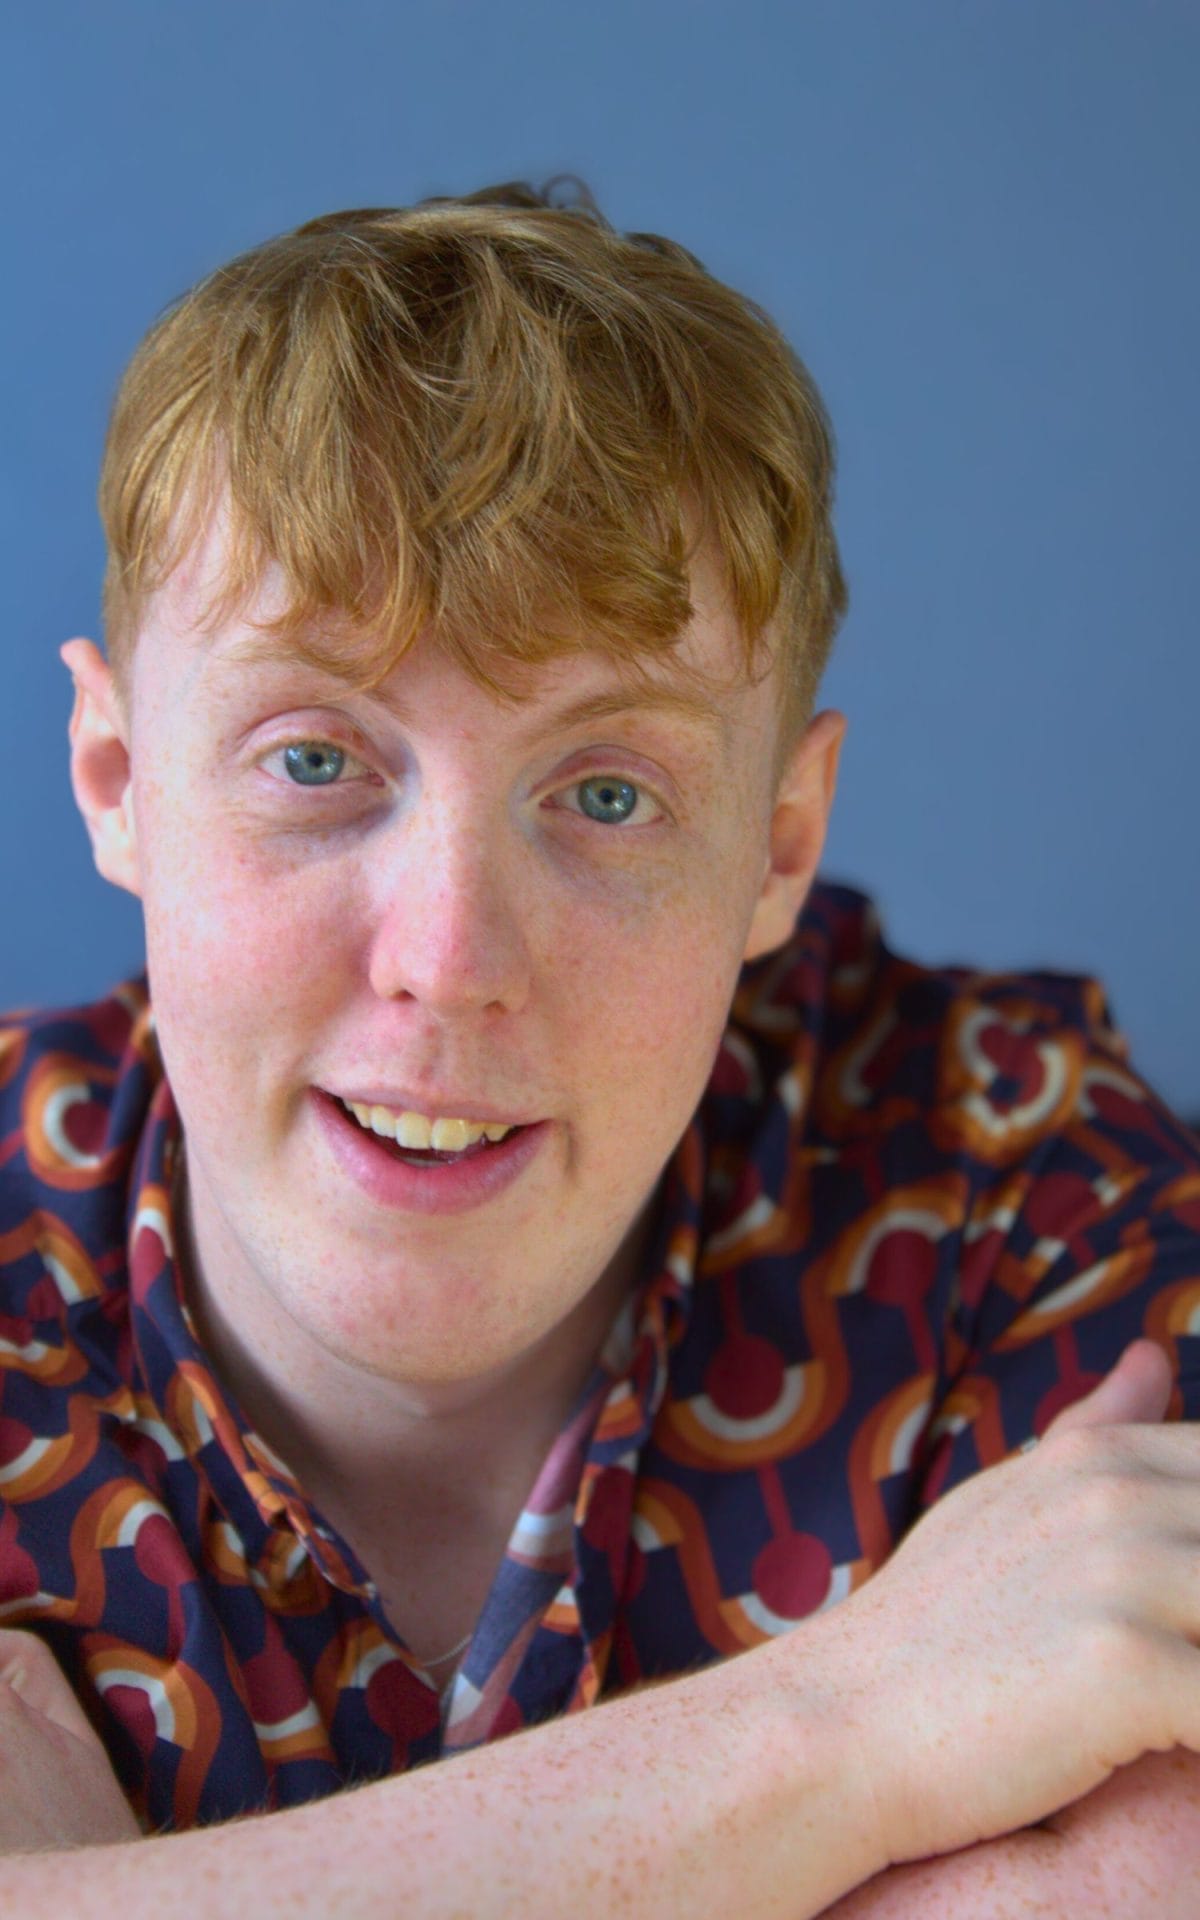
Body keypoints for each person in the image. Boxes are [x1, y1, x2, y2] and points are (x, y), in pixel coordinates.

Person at [1, 177, 1199, 1918]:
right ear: (118, 781)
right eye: (316, 761)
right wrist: (852, 1731)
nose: (448, 964)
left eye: (610, 794)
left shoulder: (1021, 1188)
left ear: (779, 843)